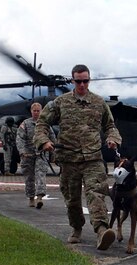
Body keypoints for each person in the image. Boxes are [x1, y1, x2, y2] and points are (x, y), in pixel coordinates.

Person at [33, 64, 122, 251]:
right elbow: (42, 122)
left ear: (89, 80)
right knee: (72, 200)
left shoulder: (99, 103)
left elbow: (110, 126)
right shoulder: (61, 102)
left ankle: (102, 231)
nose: (82, 84)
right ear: (73, 81)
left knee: (96, 193)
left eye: (85, 81)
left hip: (93, 158)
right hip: (68, 159)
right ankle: (76, 228)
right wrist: (44, 141)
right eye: (78, 81)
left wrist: (113, 138)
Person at [16, 102, 56, 209]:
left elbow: (52, 138)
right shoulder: (25, 124)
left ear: (42, 111)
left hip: (41, 154)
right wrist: (22, 151)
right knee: (29, 177)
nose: (36, 113)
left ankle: (39, 197)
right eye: (35, 111)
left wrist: (53, 153)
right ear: (31, 111)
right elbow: (20, 138)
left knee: (40, 175)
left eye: (38, 111)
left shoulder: (45, 124)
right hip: (28, 154)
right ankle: (31, 198)